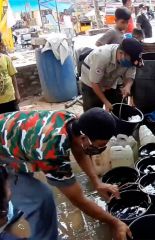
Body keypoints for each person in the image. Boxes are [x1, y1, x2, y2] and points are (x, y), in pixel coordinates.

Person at [0, 108, 132, 239]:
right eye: (100, 145)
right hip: (5, 151)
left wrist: (97, 182)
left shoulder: (72, 121)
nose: (102, 150)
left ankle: (12, 207)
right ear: (84, 138)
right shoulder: (53, 149)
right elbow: (79, 200)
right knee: (41, 199)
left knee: (19, 184)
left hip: (11, 142)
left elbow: (79, 150)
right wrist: (115, 222)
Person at [80, 38, 143, 112]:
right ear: (121, 53)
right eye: (130, 62)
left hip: (111, 79)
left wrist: (127, 86)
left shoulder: (131, 59)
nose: (130, 65)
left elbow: (130, 75)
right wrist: (106, 102)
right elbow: (94, 83)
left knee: (120, 107)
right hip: (91, 81)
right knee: (93, 111)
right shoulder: (102, 56)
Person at [0, 50, 20, 114]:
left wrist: (17, 93)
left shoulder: (6, 58)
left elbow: (13, 76)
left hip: (10, 98)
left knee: (15, 118)